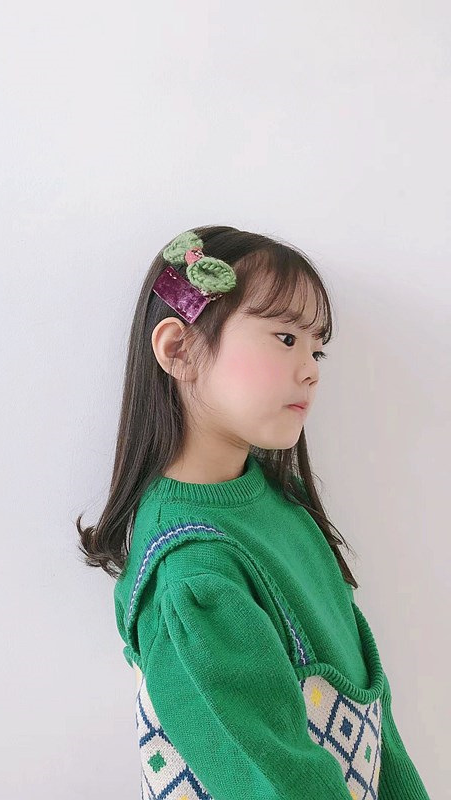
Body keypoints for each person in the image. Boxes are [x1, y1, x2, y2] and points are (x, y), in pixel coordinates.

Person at [76, 226, 431, 799]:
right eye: (285, 338)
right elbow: (273, 781)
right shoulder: (193, 574)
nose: (312, 369)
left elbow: (375, 716)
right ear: (179, 349)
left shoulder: (278, 500)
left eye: (316, 348)